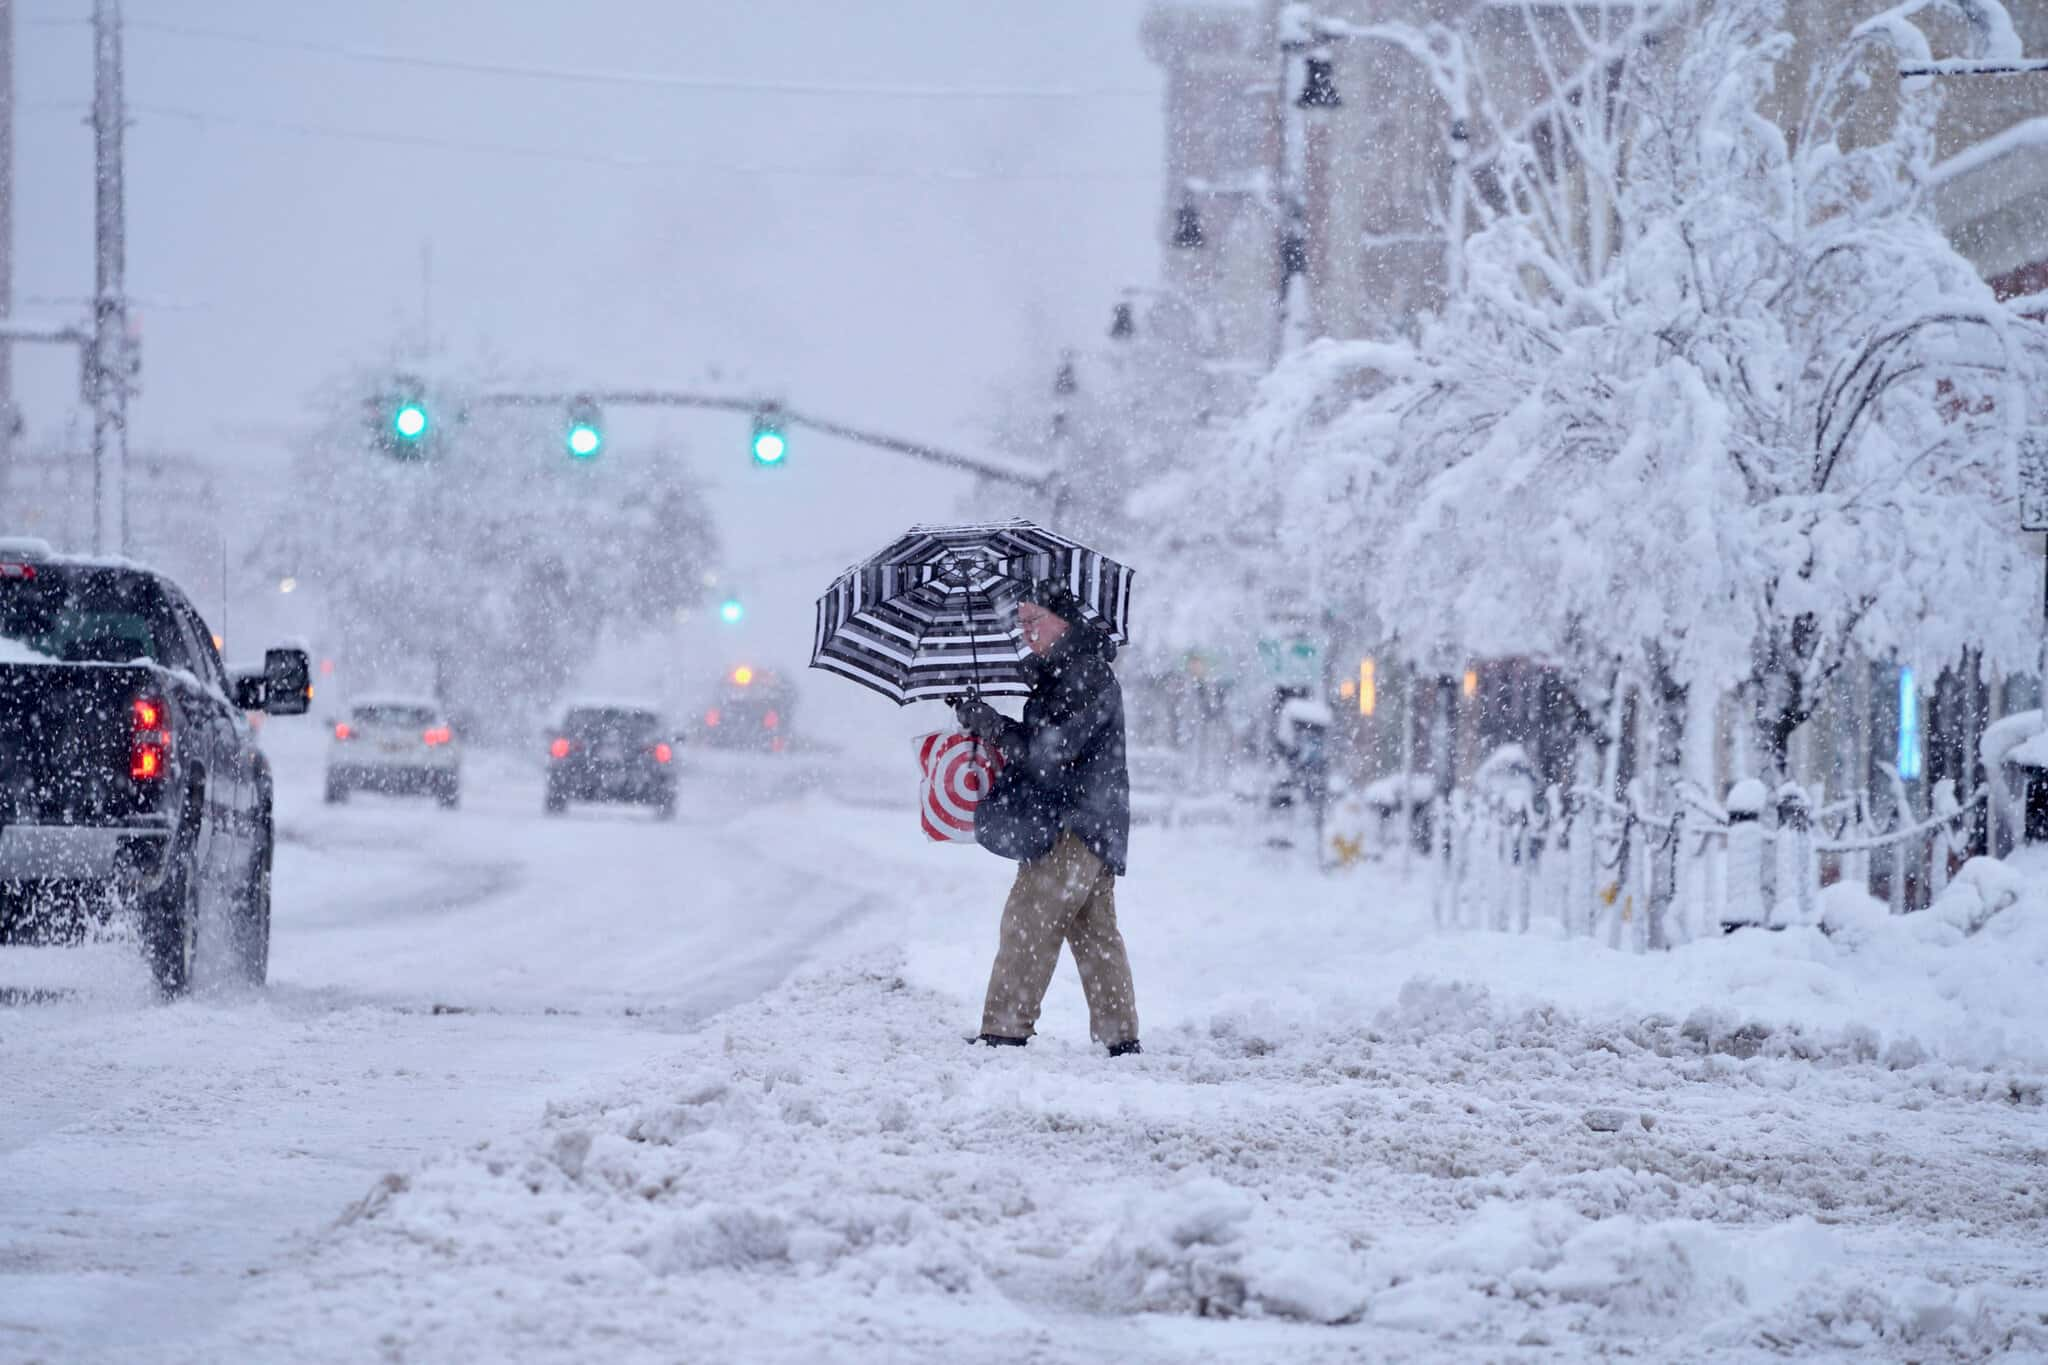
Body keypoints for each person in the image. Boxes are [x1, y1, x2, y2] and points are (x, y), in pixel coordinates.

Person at [953, 580, 1139, 1056]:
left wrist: (993, 726)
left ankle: (1004, 1031)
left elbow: (1048, 755)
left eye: (1036, 621)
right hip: (1096, 825)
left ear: (1066, 621)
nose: (1028, 633)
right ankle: (1120, 1039)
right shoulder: (1069, 674)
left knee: (1027, 923)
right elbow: (1047, 746)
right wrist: (987, 718)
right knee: (1095, 934)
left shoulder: (1081, 676)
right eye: (1023, 624)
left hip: (1071, 825)